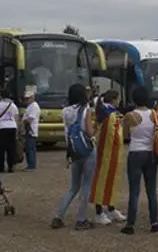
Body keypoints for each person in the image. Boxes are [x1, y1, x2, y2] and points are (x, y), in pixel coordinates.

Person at [52, 84, 96, 230]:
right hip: (87, 149)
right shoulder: (86, 110)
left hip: (73, 150)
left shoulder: (65, 111)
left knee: (73, 187)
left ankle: (58, 216)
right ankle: (81, 219)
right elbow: (89, 132)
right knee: (86, 185)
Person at [120, 86, 158, 234]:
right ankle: (154, 222)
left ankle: (130, 224)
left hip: (135, 152)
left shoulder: (130, 116)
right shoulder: (154, 114)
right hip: (150, 153)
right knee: (151, 189)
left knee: (134, 190)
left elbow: (124, 136)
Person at [90, 90, 126, 225]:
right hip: (104, 151)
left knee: (111, 178)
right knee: (101, 179)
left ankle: (111, 207)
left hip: (111, 151)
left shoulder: (109, 112)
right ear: (114, 99)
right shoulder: (107, 113)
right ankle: (99, 211)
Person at [0, 91, 19, 173]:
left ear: (1, 97)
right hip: (12, 127)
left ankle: (1, 167)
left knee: (1, 149)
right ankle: (11, 167)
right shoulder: (13, 105)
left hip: (1, 127)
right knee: (11, 148)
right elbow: (16, 117)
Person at [20, 90, 40, 171]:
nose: (27, 100)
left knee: (31, 148)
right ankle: (30, 164)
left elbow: (30, 118)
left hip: (31, 130)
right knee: (28, 148)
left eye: (29, 98)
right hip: (28, 130)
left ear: (33, 98)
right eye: (26, 98)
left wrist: (23, 121)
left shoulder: (34, 106)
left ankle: (32, 165)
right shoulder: (29, 106)